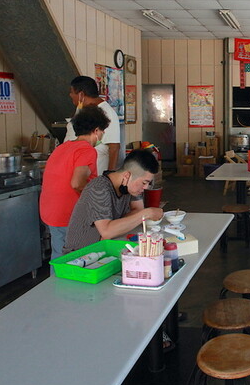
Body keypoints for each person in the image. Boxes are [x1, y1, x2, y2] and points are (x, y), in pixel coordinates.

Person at [40, 105, 110, 260]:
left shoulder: (62, 147)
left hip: (50, 211)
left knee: (59, 256)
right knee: (75, 258)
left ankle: (57, 276)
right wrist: (98, 199)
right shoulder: (86, 150)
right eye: (103, 131)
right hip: (68, 214)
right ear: (96, 130)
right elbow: (77, 183)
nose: (103, 134)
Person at [64, 149, 163, 254]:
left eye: (148, 183)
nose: (145, 187)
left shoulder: (130, 186)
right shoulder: (99, 188)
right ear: (127, 175)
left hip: (105, 248)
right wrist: (146, 214)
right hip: (80, 254)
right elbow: (106, 232)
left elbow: (138, 210)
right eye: (144, 183)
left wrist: (116, 228)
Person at [64, 76, 121, 176]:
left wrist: (109, 177)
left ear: (81, 94)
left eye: (72, 92)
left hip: (93, 174)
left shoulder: (107, 113)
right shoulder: (81, 108)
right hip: (74, 169)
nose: (70, 95)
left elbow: (114, 148)